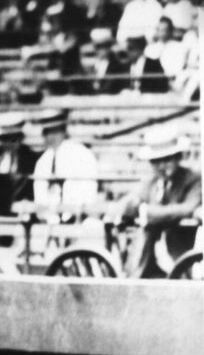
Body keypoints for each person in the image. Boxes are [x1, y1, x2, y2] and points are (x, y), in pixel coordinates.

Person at [115, 127, 202, 277]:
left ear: (177, 157)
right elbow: (125, 204)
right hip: (150, 261)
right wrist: (132, 206)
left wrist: (146, 211)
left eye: (166, 159)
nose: (161, 166)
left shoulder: (193, 179)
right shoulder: (152, 182)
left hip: (181, 260)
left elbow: (187, 208)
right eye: (155, 161)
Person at [31, 109, 99, 229]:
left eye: (55, 131)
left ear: (63, 130)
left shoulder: (82, 155)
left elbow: (88, 193)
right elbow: (40, 197)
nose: (50, 136)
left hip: (78, 220)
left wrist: (71, 215)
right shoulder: (42, 162)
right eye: (46, 132)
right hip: (49, 223)